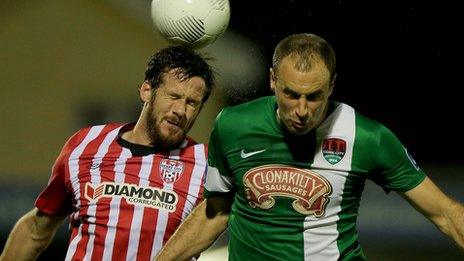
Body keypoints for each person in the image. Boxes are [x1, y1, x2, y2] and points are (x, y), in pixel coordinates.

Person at [155, 33, 464, 260]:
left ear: (331, 86)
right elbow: (214, 213)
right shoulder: (233, 126)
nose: (302, 110)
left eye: (314, 96)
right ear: (273, 80)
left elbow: (446, 214)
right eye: (291, 94)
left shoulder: (367, 137)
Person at [0, 45, 216, 261]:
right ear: (146, 91)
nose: (180, 110)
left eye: (191, 103)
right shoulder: (85, 144)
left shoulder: (205, 164)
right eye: (173, 96)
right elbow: (36, 230)